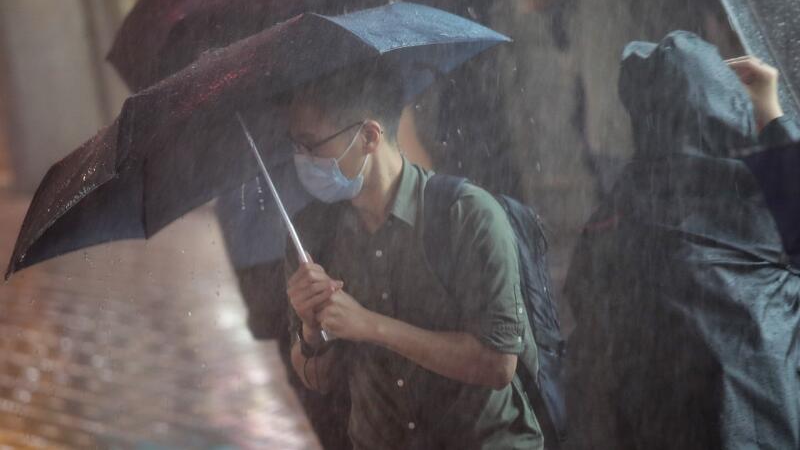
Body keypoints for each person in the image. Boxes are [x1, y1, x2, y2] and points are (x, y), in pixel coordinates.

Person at [283, 63, 544, 450]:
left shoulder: (465, 215)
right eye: (296, 146)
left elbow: (498, 364)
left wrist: (371, 326)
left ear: (369, 136)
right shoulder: (312, 236)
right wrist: (310, 329)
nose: (302, 160)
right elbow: (317, 380)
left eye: (312, 145)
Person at [564, 31, 800, 450]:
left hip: (655, 430)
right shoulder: (761, 196)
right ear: (724, 106)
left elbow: (583, 299)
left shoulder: (619, 210)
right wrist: (771, 112)